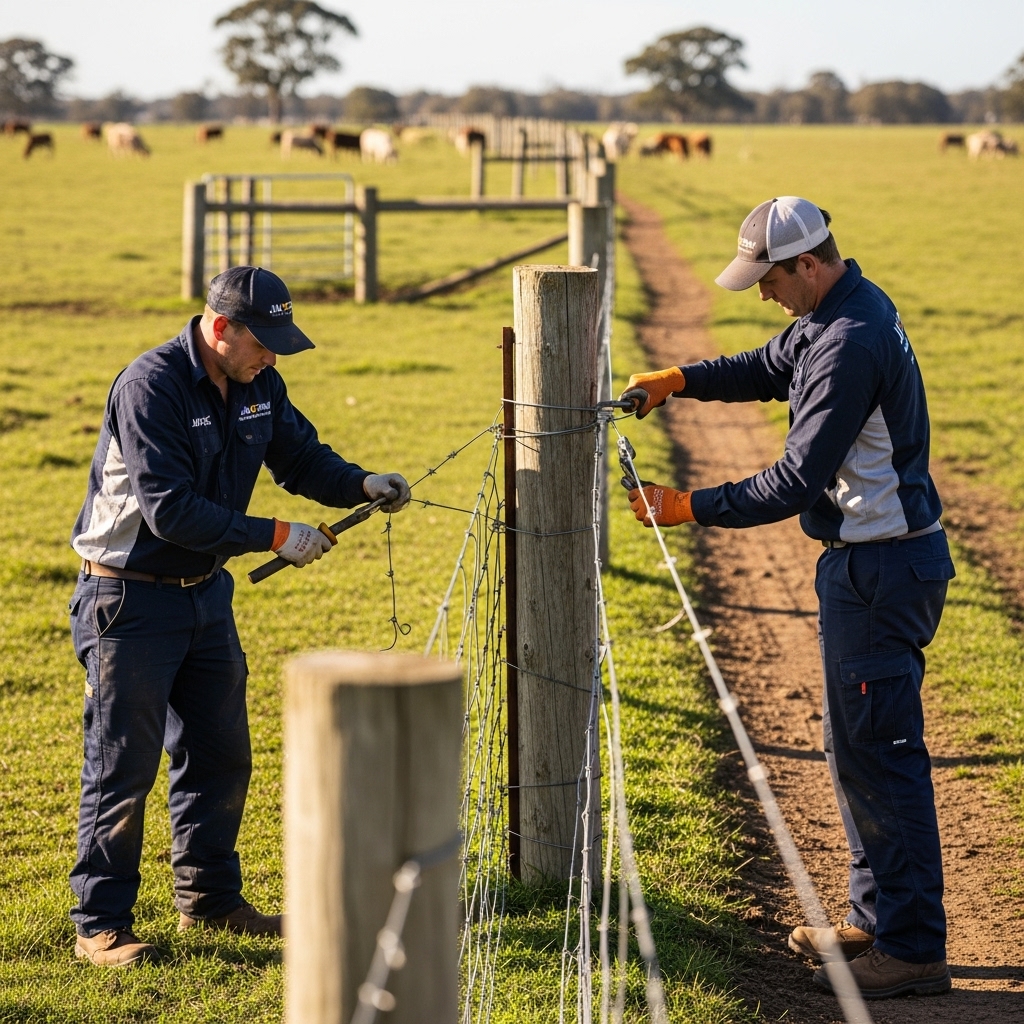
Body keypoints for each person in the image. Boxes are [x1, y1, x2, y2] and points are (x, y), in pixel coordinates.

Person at [619, 197, 954, 1001]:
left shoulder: (850, 341)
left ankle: (910, 950)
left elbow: (794, 481)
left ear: (807, 264)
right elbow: (771, 365)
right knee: (857, 750)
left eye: (767, 280)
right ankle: (875, 920)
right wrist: (683, 380)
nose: (763, 295)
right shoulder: (841, 309)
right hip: (871, 563)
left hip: (881, 569)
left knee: (884, 755)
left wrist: (688, 506)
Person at [68, 266, 410, 966]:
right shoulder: (150, 386)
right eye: (264, 341)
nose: (273, 356)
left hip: (203, 594)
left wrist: (360, 482)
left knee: (220, 754)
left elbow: (300, 457)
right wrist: (276, 535)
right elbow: (169, 511)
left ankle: (212, 904)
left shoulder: (259, 383)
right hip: (127, 598)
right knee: (121, 766)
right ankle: (99, 926)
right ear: (219, 327)